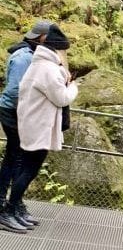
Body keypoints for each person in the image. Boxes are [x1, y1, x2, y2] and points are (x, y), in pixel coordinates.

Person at [13, 25, 78, 230]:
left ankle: (14, 208)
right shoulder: (47, 69)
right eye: (63, 50)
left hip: (33, 123)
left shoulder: (40, 65)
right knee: (29, 170)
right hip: (38, 126)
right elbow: (61, 98)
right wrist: (74, 87)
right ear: (56, 49)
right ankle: (10, 209)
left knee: (26, 168)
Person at [0, 19, 53, 232]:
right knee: (15, 157)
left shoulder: (32, 55)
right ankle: (5, 207)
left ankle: (12, 205)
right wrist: (26, 111)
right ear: (42, 38)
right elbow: (15, 91)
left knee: (15, 157)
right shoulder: (23, 58)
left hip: (18, 112)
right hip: (13, 112)